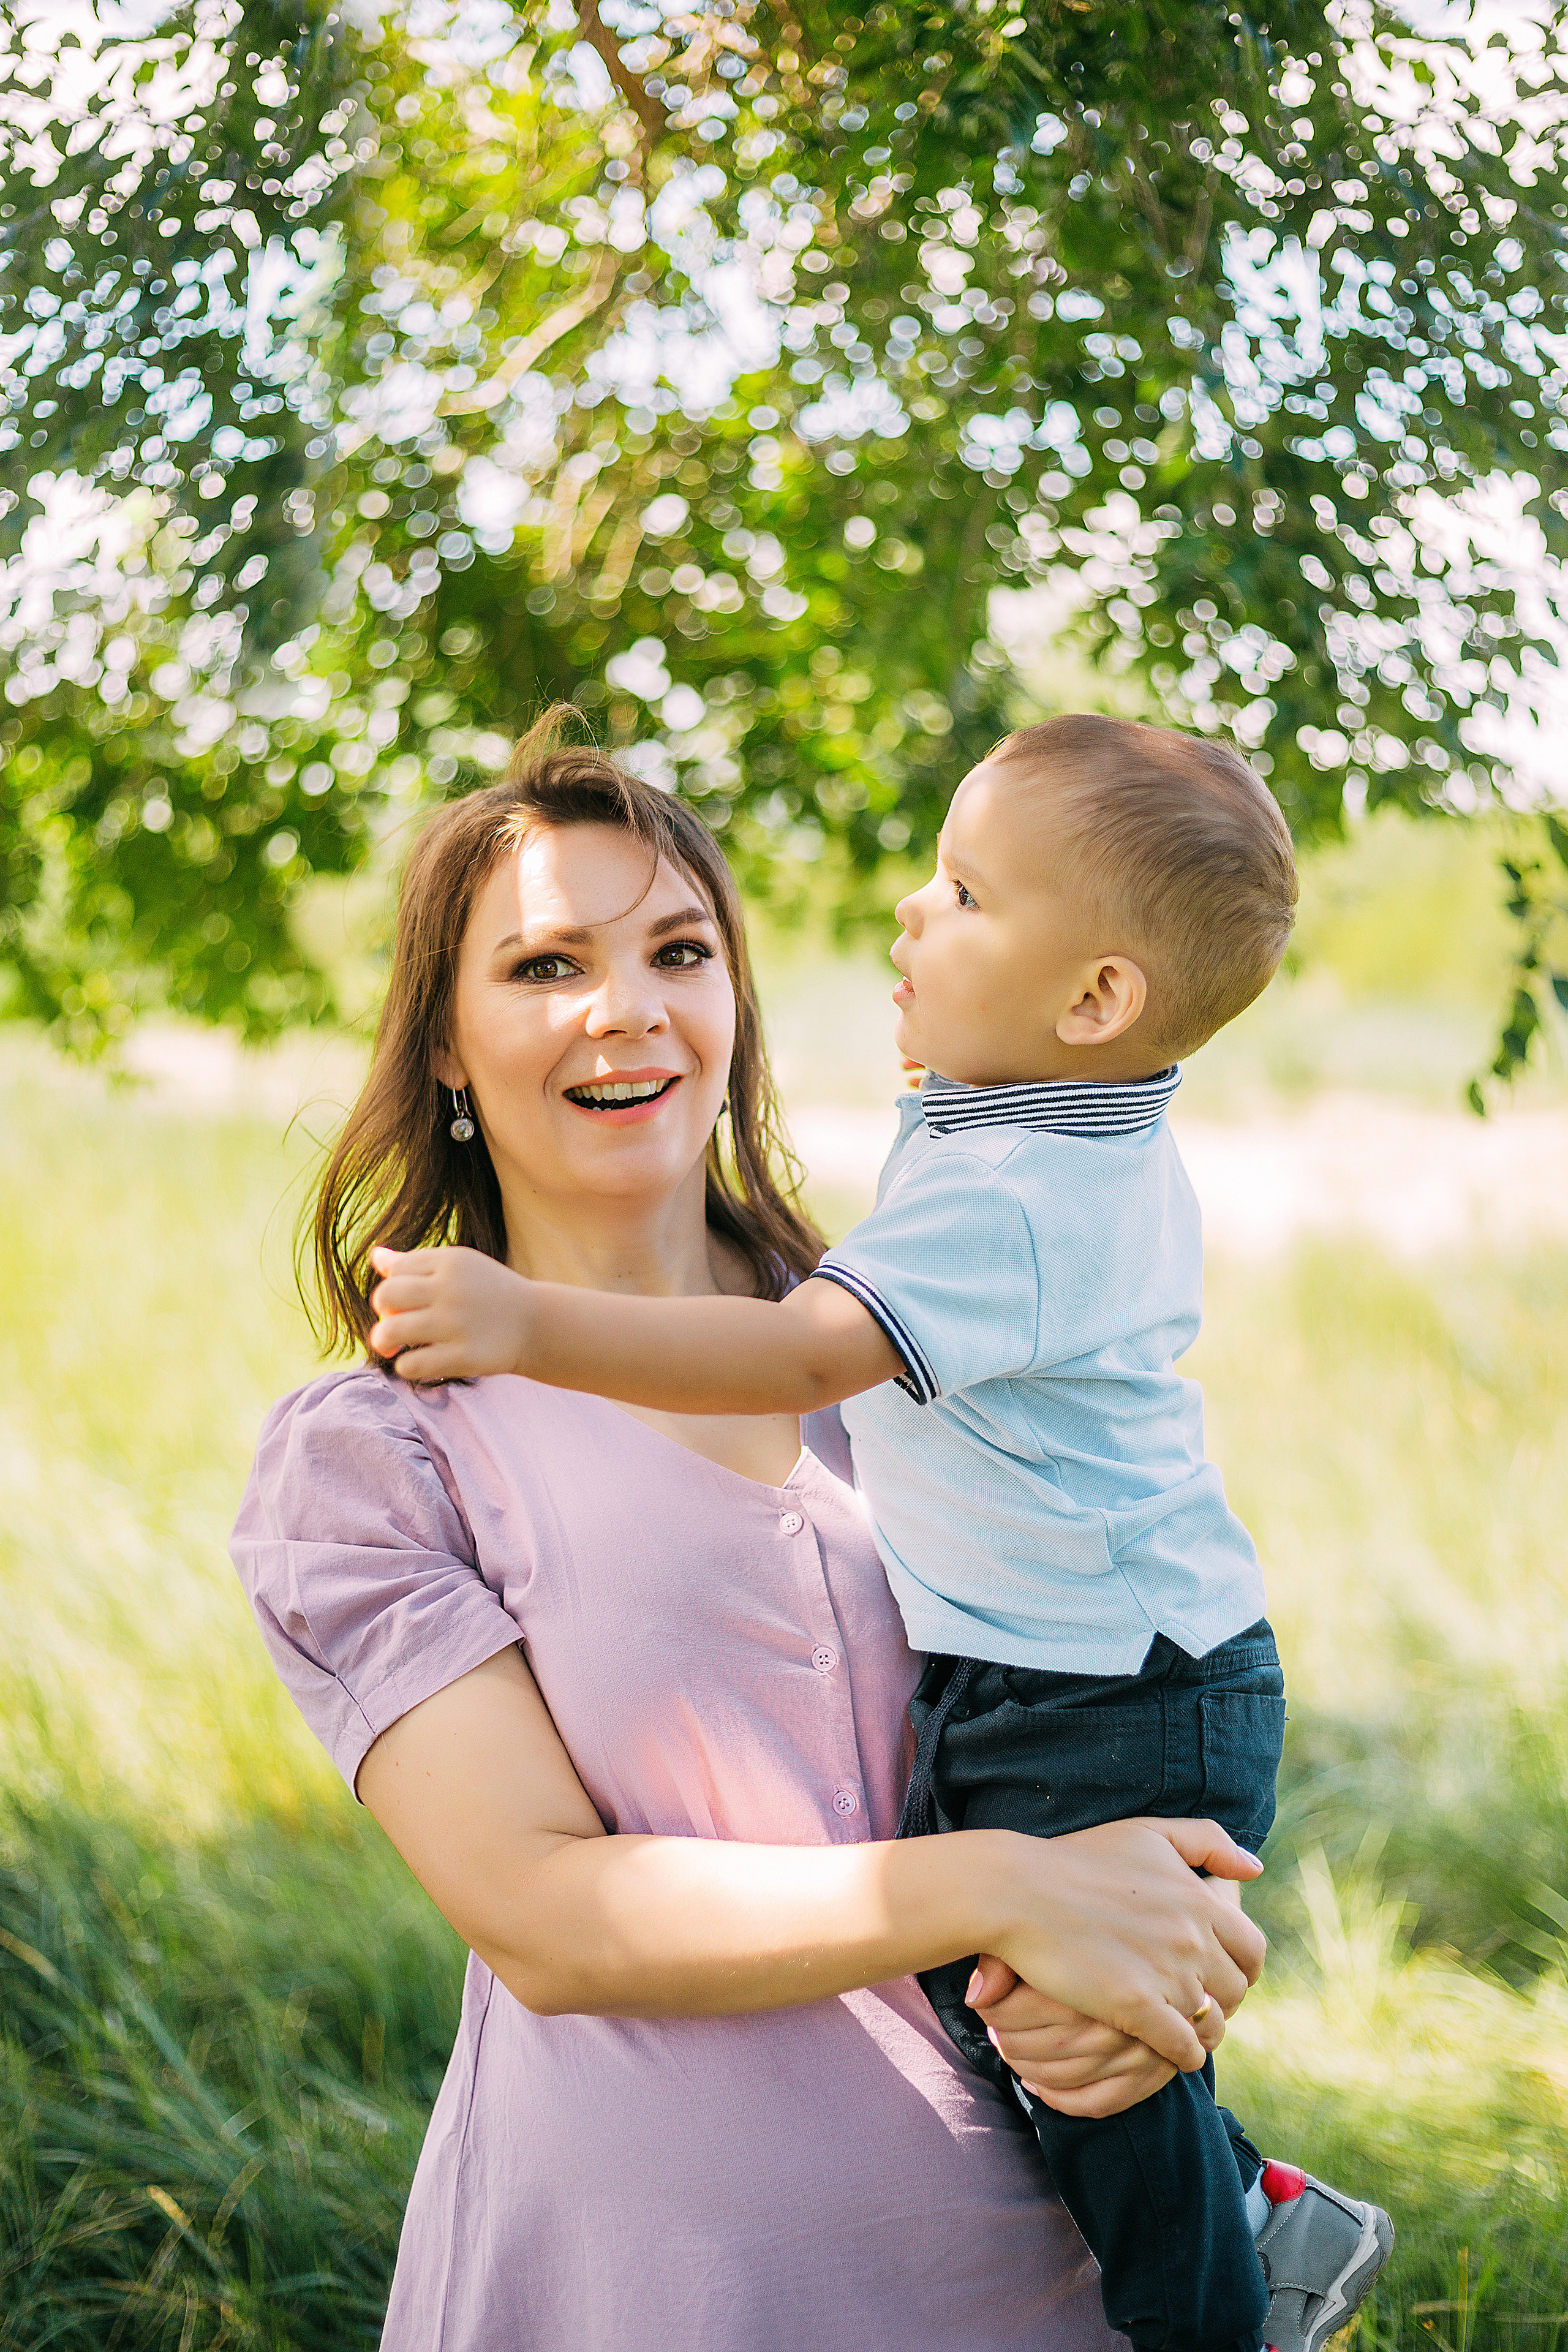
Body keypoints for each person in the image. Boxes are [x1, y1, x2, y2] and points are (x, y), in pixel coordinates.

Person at [232, 715, 1272, 2352]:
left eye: (680, 949)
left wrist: (1157, 1980)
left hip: (1031, 2289)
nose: (627, 1007)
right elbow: (549, 1921)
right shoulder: (376, 1459)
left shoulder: (916, 1359)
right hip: (648, 2290)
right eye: (545, 966)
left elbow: (1135, 1733)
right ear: (440, 1042)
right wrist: (1010, 1887)